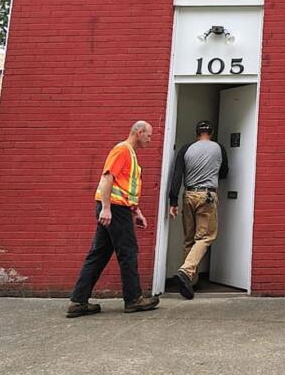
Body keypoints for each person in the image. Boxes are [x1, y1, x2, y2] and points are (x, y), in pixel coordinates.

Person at [66, 120, 160, 317]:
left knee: (99, 254)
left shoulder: (130, 154)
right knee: (128, 251)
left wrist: (136, 211)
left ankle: (78, 302)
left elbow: (126, 188)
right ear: (139, 132)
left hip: (117, 208)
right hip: (114, 209)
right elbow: (108, 178)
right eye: (149, 135)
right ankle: (134, 299)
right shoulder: (123, 150)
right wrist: (106, 208)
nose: (150, 140)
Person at [167, 119, 229, 299]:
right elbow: (224, 172)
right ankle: (186, 272)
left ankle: (189, 283)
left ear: (196, 133)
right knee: (205, 237)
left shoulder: (186, 149)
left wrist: (173, 202)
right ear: (210, 133)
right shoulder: (219, 148)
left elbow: (177, 175)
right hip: (207, 196)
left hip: (188, 196)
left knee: (189, 239)